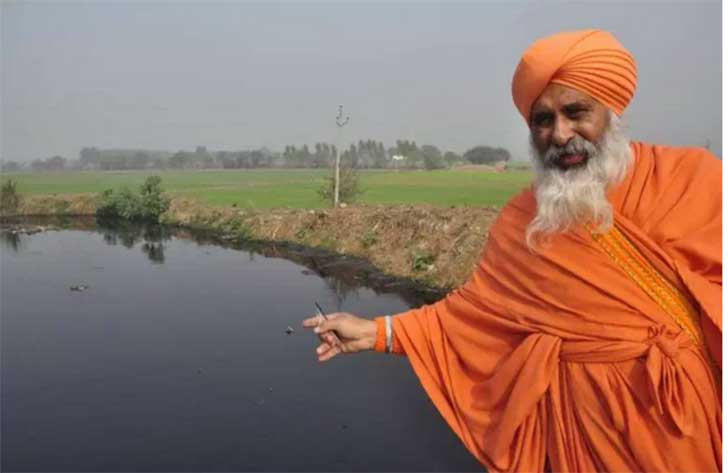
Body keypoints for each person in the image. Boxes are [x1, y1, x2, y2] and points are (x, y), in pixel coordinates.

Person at [302, 29, 721, 472]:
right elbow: (473, 315)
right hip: (580, 425)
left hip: (678, 420)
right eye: (542, 120)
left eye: (576, 112)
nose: (560, 134)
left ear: (611, 112)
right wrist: (376, 333)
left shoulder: (691, 179)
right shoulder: (524, 219)